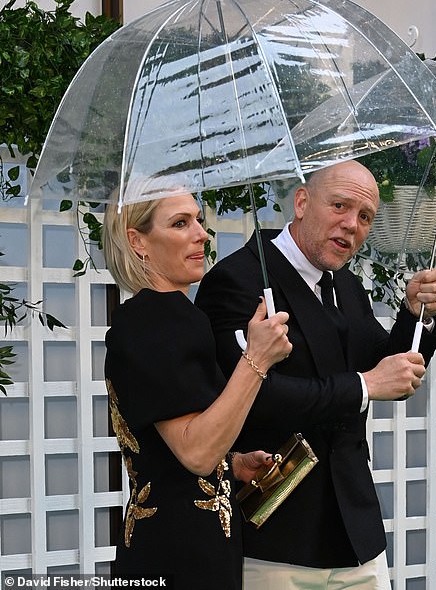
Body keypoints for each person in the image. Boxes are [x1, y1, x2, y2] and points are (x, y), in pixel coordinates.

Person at [195, 160, 436, 589]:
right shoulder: (236, 280)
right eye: (339, 206)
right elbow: (256, 397)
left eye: (365, 216)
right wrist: (365, 385)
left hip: (356, 533)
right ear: (301, 202)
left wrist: (415, 316)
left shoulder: (346, 286)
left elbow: (388, 368)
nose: (351, 225)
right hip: (275, 538)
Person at [102, 184, 292, 590]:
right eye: (180, 223)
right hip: (177, 556)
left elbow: (168, 444)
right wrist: (256, 360)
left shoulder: (174, 318)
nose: (201, 234)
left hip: (192, 544)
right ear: (138, 242)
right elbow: (195, 451)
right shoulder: (151, 322)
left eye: (199, 221)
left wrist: (232, 464)